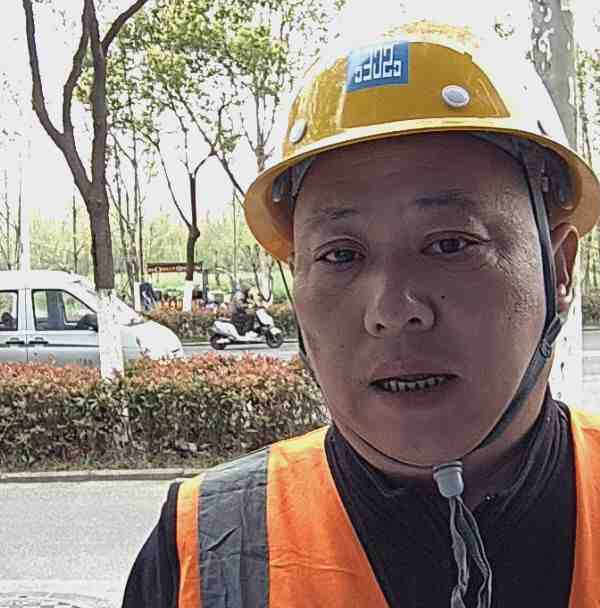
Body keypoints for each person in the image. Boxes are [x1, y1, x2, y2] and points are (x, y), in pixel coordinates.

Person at [122, 18, 600, 608]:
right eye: (341, 255)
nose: (393, 310)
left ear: (558, 270)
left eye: (450, 244)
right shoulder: (200, 550)